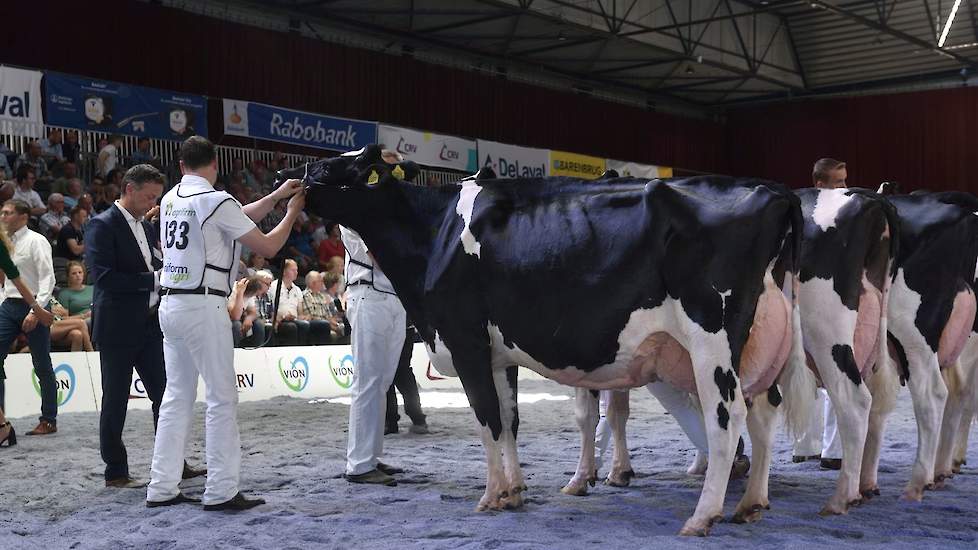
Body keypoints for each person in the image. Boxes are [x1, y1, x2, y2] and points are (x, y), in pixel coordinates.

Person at [147, 136, 303, 511]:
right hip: (203, 306)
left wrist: (276, 195)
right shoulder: (216, 200)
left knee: (175, 398)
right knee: (220, 397)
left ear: (182, 165)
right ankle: (220, 491)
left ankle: (161, 486)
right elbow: (267, 247)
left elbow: (232, 216)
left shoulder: (170, 199)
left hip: (171, 305)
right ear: (214, 165)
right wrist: (292, 211)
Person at [87, 164, 206, 488]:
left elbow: (157, 263)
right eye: (149, 196)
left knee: (166, 396)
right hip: (117, 328)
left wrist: (162, 274)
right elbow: (104, 278)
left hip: (150, 325)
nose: (153, 202)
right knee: (115, 401)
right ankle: (116, 472)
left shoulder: (148, 227)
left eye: (157, 196)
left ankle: (172, 463)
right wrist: (153, 279)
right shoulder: (101, 225)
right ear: (129, 188)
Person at [342, 150, 408, 486]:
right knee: (368, 381)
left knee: (382, 382)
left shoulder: (387, 210)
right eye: (385, 169)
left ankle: (371, 456)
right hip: (369, 294)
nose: (391, 176)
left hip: (394, 298)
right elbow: (380, 256)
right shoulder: (354, 209)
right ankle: (358, 464)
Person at [792, 158, 847, 471]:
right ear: (819, 184)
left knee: (812, 370)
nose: (843, 187)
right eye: (837, 182)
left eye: (844, 181)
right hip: (825, 296)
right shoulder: (842, 214)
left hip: (806, 294)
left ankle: (811, 447)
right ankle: (828, 450)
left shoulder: (799, 210)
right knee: (830, 372)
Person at [0, 199, 57, 435]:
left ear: (23, 216)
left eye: (7, 213)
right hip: (9, 304)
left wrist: (36, 311)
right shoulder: (6, 243)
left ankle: (49, 419)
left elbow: (48, 279)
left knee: (42, 364)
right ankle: (1, 421)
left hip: (35, 304)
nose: (2, 216)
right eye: (2, 212)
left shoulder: (37, 241)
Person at [385, 319, 428, 435]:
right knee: (402, 373)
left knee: (390, 374)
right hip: (403, 327)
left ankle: (391, 421)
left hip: (393, 327)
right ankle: (417, 419)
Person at [269, 259, 307, 346]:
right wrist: (282, 316)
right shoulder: (274, 286)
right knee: (291, 327)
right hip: (279, 320)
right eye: (293, 270)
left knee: (304, 325)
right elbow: (270, 306)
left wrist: (302, 317)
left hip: (294, 319)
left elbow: (300, 312)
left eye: (296, 270)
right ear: (284, 272)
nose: (296, 272)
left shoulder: (297, 289)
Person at [299, 271, 336, 344]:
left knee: (343, 326)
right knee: (324, 324)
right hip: (314, 323)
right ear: (313, 283)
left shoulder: (322, 296)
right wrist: (328, 322)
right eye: (321, 281)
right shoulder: (306, 295)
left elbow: (328, 314)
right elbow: (310, 315)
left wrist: (334, 323)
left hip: (325, 322)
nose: (323, 283)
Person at [228, 276, 265, 348]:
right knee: (236, 325)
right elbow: (235, 316)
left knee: (258, 324)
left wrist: (249, 319)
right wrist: (240, 293)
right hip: (228, 319)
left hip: (240, 317)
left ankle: (257, 349)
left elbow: (253, 312)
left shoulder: (250, 294)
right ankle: (236, 350)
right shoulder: (232, 290)